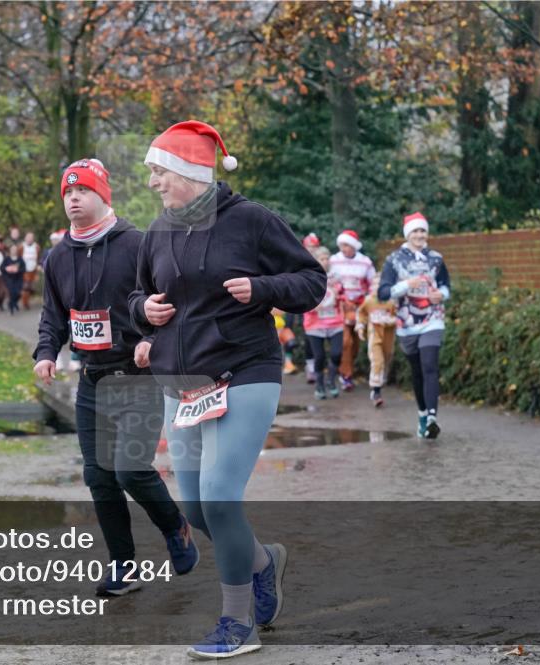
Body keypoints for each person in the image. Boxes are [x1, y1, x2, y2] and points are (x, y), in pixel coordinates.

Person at [128, 121, 325, 659]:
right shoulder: (159, 231)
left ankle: (237, 623)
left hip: (245, 372)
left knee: (218, 497)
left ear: (190, 172)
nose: (152, 182)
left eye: (158, 171)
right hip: (183, 384)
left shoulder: (252, 222)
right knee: (194, 508)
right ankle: (264, 561)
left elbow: (311, 281)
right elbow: (139, 296)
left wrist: (262, 289)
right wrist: (143, 316)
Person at [33, 157, 199, 598]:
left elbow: (165, 302)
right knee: (99, 477)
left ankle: (176, 528)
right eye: (67, 192)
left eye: (82, 190)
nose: (73, 199)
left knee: (129, 470)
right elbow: (54, 315)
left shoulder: (136, 244)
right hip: (92, 381)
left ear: (103, 195)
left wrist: (152, 337)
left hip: (137, 376)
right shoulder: (58, 257)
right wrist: (47, 352)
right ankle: (124, 567)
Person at [378, 212, 450, 439]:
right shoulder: (394, 260)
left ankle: (431, 418)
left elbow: (446, 285)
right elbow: (383, 293)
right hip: (407, 323)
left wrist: (442, 294)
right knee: (417, 371)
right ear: (408, 234)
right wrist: (406, 284)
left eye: (423, 231)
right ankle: (421, 413)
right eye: (415, 231)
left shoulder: (436, 258)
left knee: (430, 365)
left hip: (432, 318)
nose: (420, 235)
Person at [329, 229, 375, 392]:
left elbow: (372, 284)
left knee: (355, 343)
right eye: (341, 245)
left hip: (359, 307)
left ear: (354, 246)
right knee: (345, 341)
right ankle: (346, 375)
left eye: (347, 245)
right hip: (340, 307)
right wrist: (338, 296)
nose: (343, 248)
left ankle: (346, 368)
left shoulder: (366, 262)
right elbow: (328, 282)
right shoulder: (333, 261)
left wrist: (367, 303)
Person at [303, 247, 346, 400]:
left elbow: (344, 295)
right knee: (319, 356)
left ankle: (331, 380)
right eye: (321, 259)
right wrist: (313, 305)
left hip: (335, 322)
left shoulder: (336, 277)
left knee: (337, 353)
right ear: (315, 260)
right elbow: (301, 299)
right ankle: (320, 384)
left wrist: (338, 294)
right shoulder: (308, 277)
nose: (325, 261)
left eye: (327, 258)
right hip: (315, 324)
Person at [356, 272, 397, 407]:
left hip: (388, 336)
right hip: (374, 336)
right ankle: (376, 391)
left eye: (379, 285)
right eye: (374, 284)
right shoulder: (369, 300)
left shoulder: (391, 302)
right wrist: (360, 327)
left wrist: (390, 321)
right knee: (377, 361)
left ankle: (381, 379)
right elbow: (361, 313)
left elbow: (399, 317)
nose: (376, 287)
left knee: (386, 358)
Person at [300, 233, 322, 383]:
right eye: (309, 247)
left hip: (325, 304)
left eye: (314, 247)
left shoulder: (323, 260)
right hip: (305, 303)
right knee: (309, 334)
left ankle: (320, 368)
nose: (312, 250)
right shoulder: (299, 258)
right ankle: (310, 366)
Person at [1, 243, 26, 315]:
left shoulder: (20, 259)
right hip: (9, 279)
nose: (14, 251)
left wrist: (17, 270)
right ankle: (11, 309)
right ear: (10, 250)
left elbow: (24, 269)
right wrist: (7, 268)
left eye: (15, 249)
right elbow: (1, 268)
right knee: (12, 293)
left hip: (18, 279)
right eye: (12, 249)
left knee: (18, 293)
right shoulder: (7, 259)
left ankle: (13, 303)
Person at [20, 231, 40, 310]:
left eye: (31, 237)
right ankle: (25, 303)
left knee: (30, 287)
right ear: (25, 238)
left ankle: (25, 300)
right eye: (28, 237)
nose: (29, 239)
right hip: (24, 270)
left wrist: (38, 265)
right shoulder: (21, 246)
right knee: (26, 286)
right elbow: (18, 256)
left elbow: (39, 257)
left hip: (33, 270)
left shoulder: (37, 247)